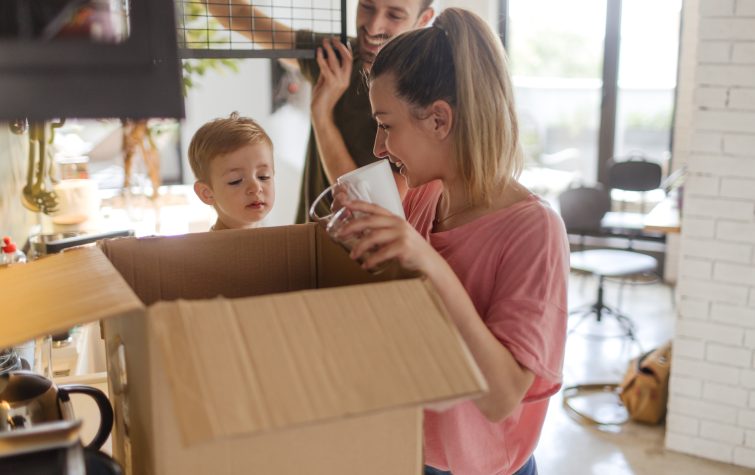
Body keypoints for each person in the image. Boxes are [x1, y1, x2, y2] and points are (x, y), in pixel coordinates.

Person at [333, 8, 569, 475]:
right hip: (410, 452)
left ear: (439, 120)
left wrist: (427, 261)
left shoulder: (534, 231)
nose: (380, 146)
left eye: (386, 124)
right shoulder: (423, 197)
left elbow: (501, 398)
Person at [203, 0, 435, 222]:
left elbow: (375, 207)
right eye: (366, 6)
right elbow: (237, 15)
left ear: (423, 19)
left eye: (394, 15)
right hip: (308, 239)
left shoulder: (423, 94)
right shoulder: (339, 56)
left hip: (358, 255)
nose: (373, 26)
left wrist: (321, 114)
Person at [188, 112, 275, 231]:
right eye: (236, 181)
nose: (255, 188)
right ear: (206, 193)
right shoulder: (206, 249)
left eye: (263, 176)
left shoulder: (279, 243)